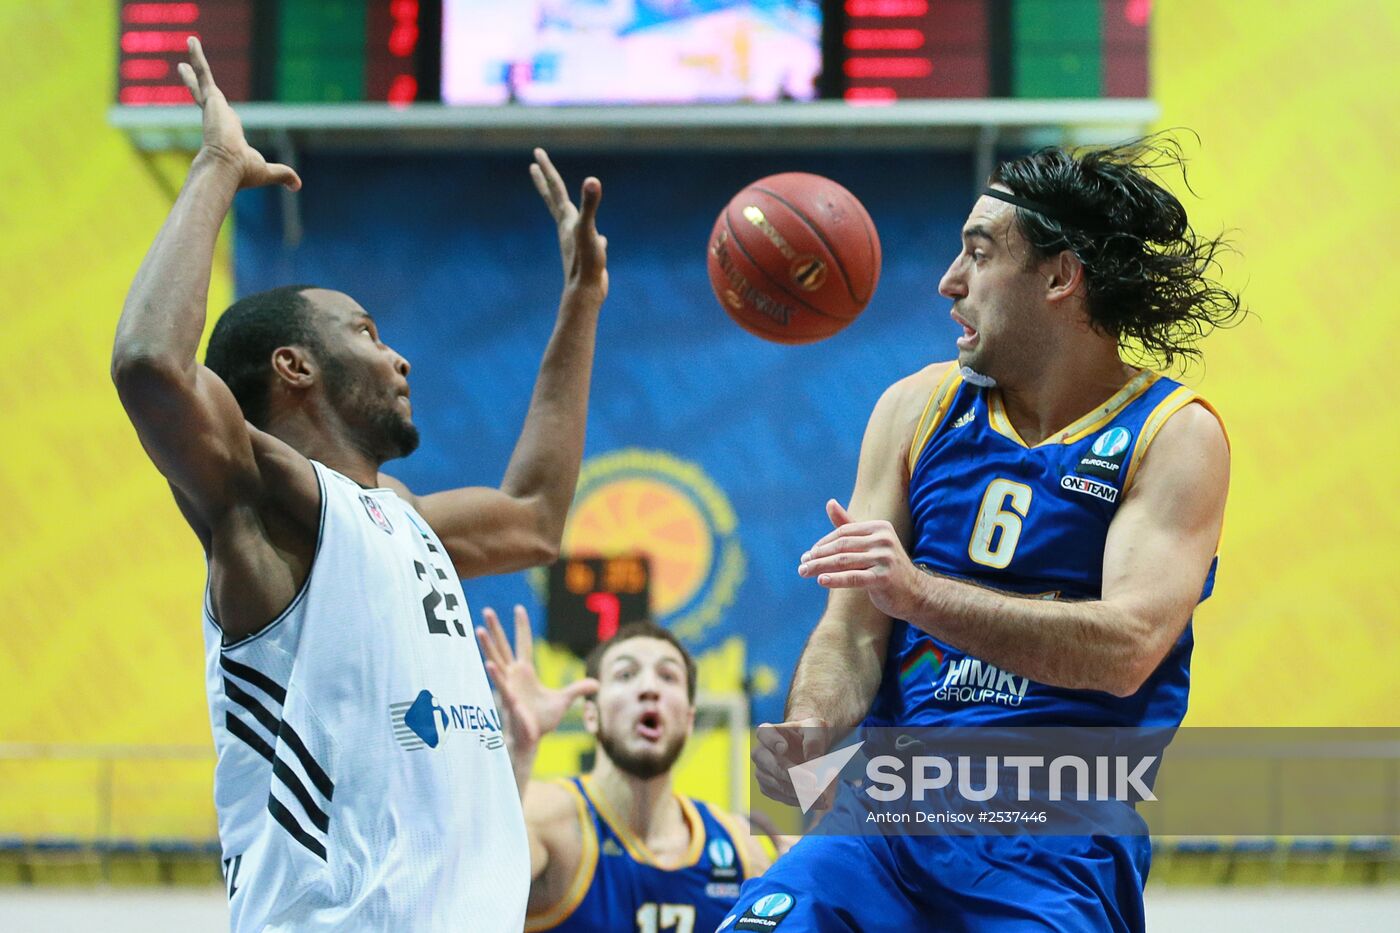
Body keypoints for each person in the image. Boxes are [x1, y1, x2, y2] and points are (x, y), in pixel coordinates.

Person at [109, 38, 608, 932]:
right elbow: (150, 363)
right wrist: (220, 165)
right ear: (295, 365)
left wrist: (581, 304)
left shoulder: (401, 519)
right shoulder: (266, 507)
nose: (398, 354)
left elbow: (536, 516)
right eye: (369, 332)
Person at [731, 138, 1241, 932]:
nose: (949, 281)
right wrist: (811, 725)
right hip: (884, 828)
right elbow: (852, 632)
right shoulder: (916, 407)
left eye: (977, 252)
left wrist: (920, 594)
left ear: (1060, 276)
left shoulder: (1172, 434)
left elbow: (1126, 647)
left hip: (1055, 843)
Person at [475, 607, 774, 932]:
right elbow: (471, 884)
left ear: (689, 720)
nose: (649, 688)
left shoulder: (740, 848)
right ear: (591, 714)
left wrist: (800, 866)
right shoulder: (546, 818)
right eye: (626, 675)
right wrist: (518, 751)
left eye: (668, 675)